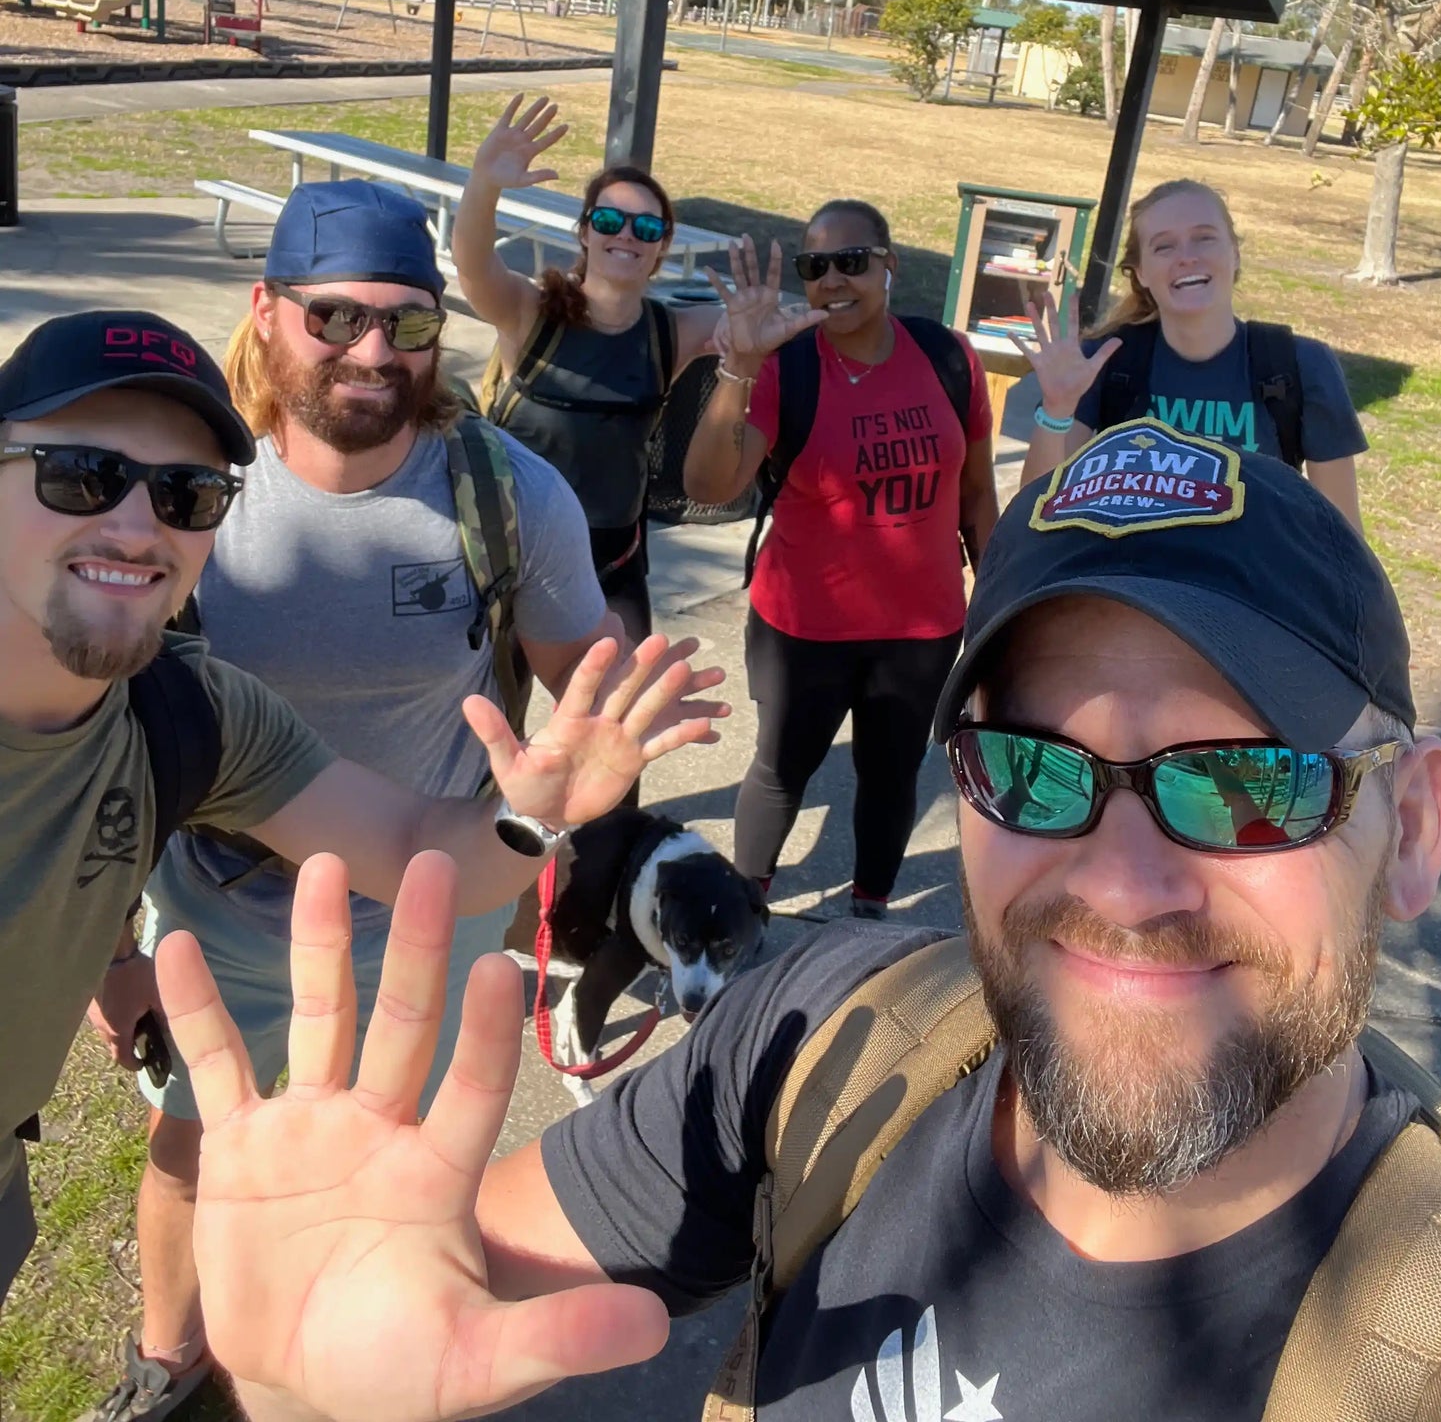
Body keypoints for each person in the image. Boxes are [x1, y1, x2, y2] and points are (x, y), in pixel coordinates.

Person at [151, 421, 1441, 1422]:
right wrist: (290, 1383)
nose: (1126, 886)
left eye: (1249, 781)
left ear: (1418, 828)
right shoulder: (825, 1035)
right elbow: (441, 1270)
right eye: (1035, 769)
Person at [76, 182, 727, 1422]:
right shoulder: (186, 492)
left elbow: (581, 694)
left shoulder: (502, 492)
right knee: (191, 1143)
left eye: (409, 322)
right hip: (217, 902)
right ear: (266, 312)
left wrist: (610, 777)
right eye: (336, 315)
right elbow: (116, 734)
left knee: (407, 1166)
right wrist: (117, 949)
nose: (375, 350)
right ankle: (170, 1356)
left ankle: (357, 1358)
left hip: (430, 899)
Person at [682, 201, 999, 917]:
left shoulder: (949, 358)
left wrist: (996, 602)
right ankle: (742, 907)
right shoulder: (784, 366)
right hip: (803, 628)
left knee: (891, 777)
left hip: (921, 629)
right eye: (814, 267)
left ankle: (868, 912)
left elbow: (977, 493)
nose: (832, 280)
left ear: (889, 265)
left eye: (851, 261)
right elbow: (708, 487)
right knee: (781, 771)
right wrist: (738, 367)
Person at [452, 95, 724, 644]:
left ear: (662, 245)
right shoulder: (531, 314)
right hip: (510, 552)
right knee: (493, 718)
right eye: (609, 220)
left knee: (623, 710)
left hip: (613, 560)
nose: (626, 236)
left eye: (646, 229)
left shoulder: (671, 333)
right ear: (584, 232)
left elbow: (760, 324)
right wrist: (484, 184)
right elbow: (474, 266)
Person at [1017, 177, 1367, 529]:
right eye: (1164, 247)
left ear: (1235, 253)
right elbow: (1037, 512)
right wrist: (1056, 410)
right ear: (1141, 274)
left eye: (1204, 238)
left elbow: (1343, 537)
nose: (1187, 257)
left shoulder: (1299, 364)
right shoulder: (1104, 361)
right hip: (1130, 578)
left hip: (1249, 580)